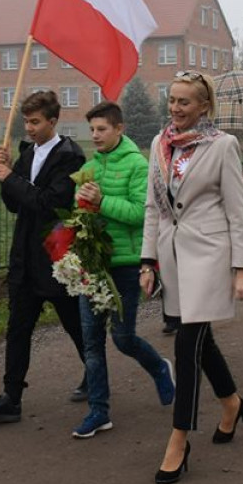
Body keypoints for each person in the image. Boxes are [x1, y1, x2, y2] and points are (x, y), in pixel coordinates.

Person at [139, 71, 243, 484]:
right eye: (171, 100)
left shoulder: (223, 146)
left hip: (209, 254)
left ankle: (178, 437)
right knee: (201, 341)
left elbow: (237, 211)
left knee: (188, 341)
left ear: (204, 106)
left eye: (184, 102)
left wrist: (242, 268)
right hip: (172, 256)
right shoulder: (159, 143)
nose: (175, 109)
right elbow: (154, 206)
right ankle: (232, 403)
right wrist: (147, 260)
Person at [0, 91, 89, 423]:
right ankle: (11, 397)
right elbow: (15, 204)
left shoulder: (70, 157)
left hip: (55, 257)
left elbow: (49, 202)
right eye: (26, 121)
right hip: (24, 256)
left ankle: (95, 372)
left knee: (73, 324)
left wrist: (11, 179)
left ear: (53, 121)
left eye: (35, 122)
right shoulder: (27, 154)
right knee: (18, 327)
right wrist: (6, 173)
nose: (29, 128)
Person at [71, 101, 175, 439]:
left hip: (127, 265)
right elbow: (83, 213)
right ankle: (99, 411)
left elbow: (141, 213)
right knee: (91, 342)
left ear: (119, 129)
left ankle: (160, 368)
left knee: (123, 337)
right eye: (92, 130)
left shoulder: (137, 166)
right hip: (94, 266)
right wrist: (82, 206)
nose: (96, 136)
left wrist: (101, 202)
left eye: (102, 129)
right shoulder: (89, 166)